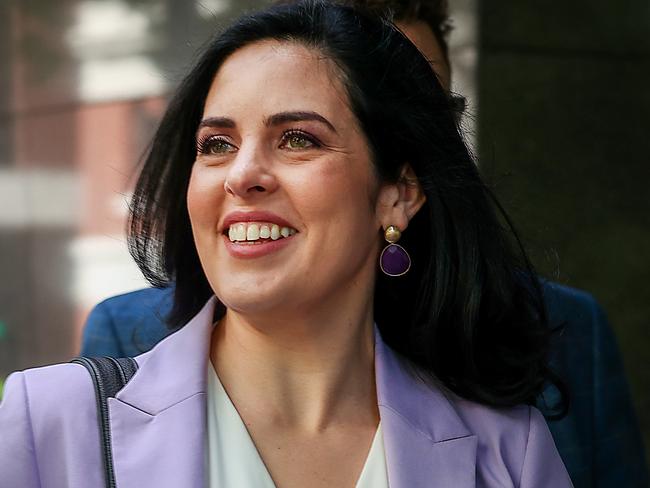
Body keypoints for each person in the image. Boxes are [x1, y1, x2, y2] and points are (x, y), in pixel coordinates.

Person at [0, 1, 574, 486]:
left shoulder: (506, 454)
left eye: (297, 139)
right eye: (217, 143)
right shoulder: (50, 421)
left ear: (397, 194)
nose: (242, 175)